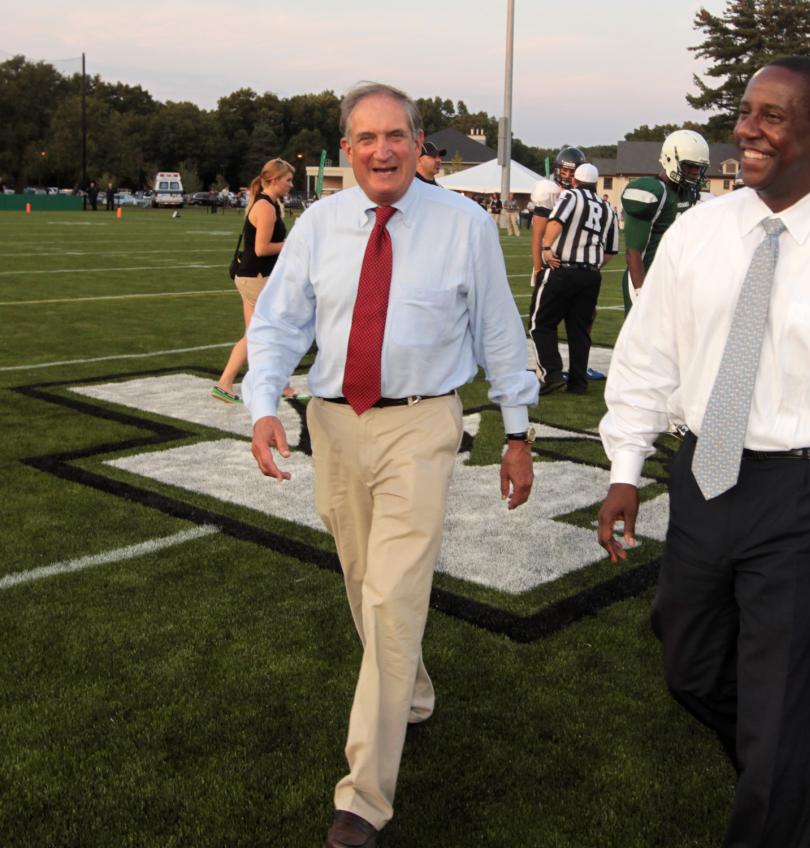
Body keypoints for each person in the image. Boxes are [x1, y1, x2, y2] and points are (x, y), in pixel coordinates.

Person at [595, 56, 810, 848]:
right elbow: (648, 357)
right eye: (746, 111)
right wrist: (626, 469)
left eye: (773, 116)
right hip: (707, 476)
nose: (747, 130)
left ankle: (779, 781)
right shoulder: (698, 232)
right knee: (688, 665)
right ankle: (781, 761)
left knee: (787, 701)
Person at [242, 81, 538, 848]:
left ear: (418, 144)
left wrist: (517, 433)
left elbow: (500, 333)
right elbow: (278, 323)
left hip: (422, 423)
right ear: (347, 150)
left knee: (391, 594)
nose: (382, 150)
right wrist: (263, 403)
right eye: (366, 138)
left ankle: (363, 800)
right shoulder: (320, 224)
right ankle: (413, 689)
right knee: (363, 582)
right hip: (334, 424)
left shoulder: (465, 224)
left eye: (396, 135)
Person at [530, 162, 619, 394]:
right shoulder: (607, 207)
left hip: (563, 270)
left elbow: (556, 221)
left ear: (576, 180)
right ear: (596, 183)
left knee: (541, 324)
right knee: (579, 330)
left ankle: (552, 374)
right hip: (591, 275)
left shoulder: (571, 195)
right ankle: (578, 383)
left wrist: (546, 248)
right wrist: (590, 265)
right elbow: (611, 250)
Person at [213, 158, 295, 404]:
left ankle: (228, 383)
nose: (291, 184)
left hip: (251, 276)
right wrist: (291, 244)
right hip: (256, 277)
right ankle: (276, 383)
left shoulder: (267, 203)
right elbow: (262, 248)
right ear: (275, 180)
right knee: (275, 331)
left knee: (254, 334)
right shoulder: (266, 206)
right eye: (288, 180)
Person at [619, 129, 710, 313]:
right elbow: (633, 252)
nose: (695, 173)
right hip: (645, 279)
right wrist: (641, 292)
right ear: (670, 159)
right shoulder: (653, 192)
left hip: (672, 282)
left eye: (698, 168)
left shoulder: (689, 194)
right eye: (689, 167)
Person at [530, 146, 587, 290]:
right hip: (551, 262)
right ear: (557, 170)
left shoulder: (584, 197)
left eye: (572, 173)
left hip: (576, 263)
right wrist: (537, 270)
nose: (567, 176)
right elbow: (537, 237)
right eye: (564, 171)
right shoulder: (549, 193)